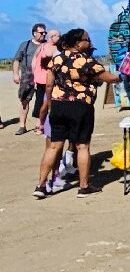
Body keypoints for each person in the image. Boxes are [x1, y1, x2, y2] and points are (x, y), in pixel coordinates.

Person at [35, 29, 122, 199]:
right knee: (82, 146)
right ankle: (83, 186)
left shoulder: (57, 59)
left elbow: (49, 84)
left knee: (53, 146)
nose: (89, 43)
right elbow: (108, 78)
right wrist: (123, 76)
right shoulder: (86, 61)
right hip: (80, 106)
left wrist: (51, 102)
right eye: (86, 40)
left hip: (58, 105)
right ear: (77, 43)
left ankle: (41, 185)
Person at [11, 23, 46, 134]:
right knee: (24, 100)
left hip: (42, 76)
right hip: (27, 76)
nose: (43, 35)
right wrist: (15, 74)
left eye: (45, 33)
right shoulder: (25, 45)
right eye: (41, 33)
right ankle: (22, 126)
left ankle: (39, 125)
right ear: (34, 33)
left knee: (41, 101)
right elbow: (17, 60)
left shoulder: (47, 45)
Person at [32, 29, 60, 136]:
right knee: (41, 101)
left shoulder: (59, 48)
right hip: (41, 79)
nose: (59, 37)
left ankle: (47, 124)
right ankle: (40, 124)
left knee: (50, 101)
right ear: (51, 37)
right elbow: (35, 61)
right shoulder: (42, 47)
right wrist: (34, 76)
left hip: (53, 79)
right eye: (58, 36)